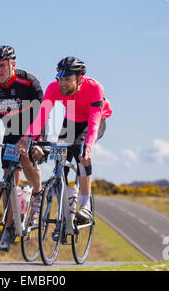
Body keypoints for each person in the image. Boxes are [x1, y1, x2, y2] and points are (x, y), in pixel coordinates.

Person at [19, 56, 112, 225]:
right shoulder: (53, 88)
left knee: (81, 153)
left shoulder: (94, 88)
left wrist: (88, 149)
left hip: (93, 120)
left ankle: (85, 207)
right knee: (59, 158)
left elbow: (93, 124)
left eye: (68, 79)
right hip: (71, 121)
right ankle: (69, 199)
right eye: (60, 78)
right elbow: (41, 117)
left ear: (80, 79)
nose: (62, 84)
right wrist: (27, 136)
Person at [0, 45, 47, 251]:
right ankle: (8, 228)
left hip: (34, 128)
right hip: (11, 130)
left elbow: (42, 113)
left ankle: (37, 193)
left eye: (2, 65)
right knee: (8, 178)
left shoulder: (29, 82)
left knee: (25, 158)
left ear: (13, 64)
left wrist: (33, 138)